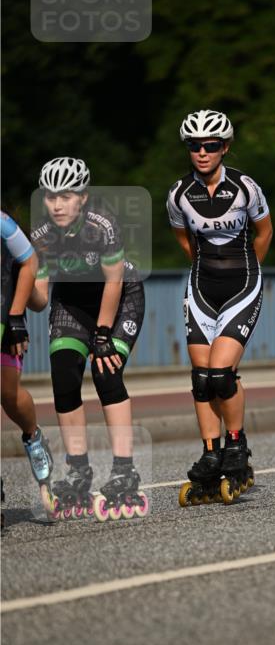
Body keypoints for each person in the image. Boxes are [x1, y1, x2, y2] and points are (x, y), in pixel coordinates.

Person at [27, 157, 147, 519]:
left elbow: (113, 282)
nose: (58, 204)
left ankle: (125, 470)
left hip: (120, 297)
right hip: (72, 302)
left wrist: (103, 334)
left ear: (82, 196)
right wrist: (19, 299)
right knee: (63, 377)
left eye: (66, 195)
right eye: (50, 197)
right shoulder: (41, 235)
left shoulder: (103, 224)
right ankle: (78, 470)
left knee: (106, 372)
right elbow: (41, 297)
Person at [167, 109, 273, 504]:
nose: (202, 152)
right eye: (194, 146)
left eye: (210, 145)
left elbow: (264, 232)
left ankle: (236, 445)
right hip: (201, 287)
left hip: (242, 284)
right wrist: (203, 269)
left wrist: (250, 269)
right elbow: (185, 242)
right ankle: (212, 454)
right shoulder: (178, 194)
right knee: (200, 379)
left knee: (221, 374)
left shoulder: (245, 187)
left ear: (225, 147)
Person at [1, 210, 53, 523]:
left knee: (7, 393)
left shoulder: (6, 227)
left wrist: (16, 315)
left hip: (6, 318)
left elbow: (40, 301)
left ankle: (33, 437)